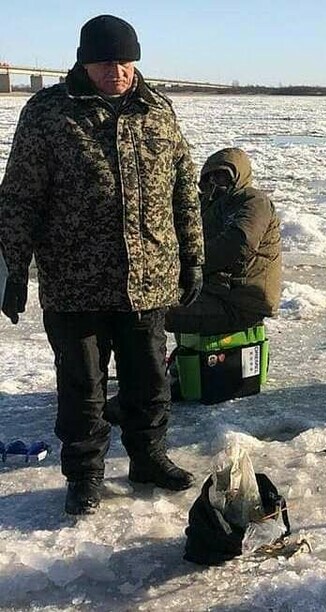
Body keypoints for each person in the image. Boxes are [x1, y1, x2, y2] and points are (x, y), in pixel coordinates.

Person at [0, 15, 205, 515]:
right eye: (104, 61)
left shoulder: (158, 111)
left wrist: (193, 256)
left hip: (148, 277)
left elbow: (183, 189)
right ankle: (85, 474)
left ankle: (149, 457)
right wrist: (12, 271)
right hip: (75, 282)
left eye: (125, 60)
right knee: (82, 387)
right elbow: (19, 197)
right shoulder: (48, 113)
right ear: (84, 61)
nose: (116, 71)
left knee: (149, 379)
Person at [165, 147, 282, 336]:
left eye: (221, 176)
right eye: (209, 177)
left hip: (240, 302)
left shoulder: (253, 201)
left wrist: (189, 266)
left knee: (154, 312)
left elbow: (238, 244)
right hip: (215, 292)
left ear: (238, 176)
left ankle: (147, 365)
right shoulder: (208, 205)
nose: (214, 182)